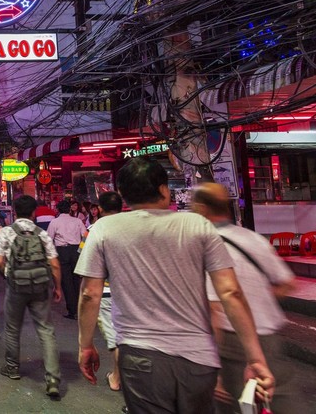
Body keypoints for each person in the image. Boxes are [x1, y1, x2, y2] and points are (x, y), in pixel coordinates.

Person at [75, 158, 275, 413]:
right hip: (199, 359)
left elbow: (90, 293)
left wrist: (86, 345)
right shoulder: (198, 225)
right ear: (163, 189)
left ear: (123, 195)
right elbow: (230, 292)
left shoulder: (104, 228)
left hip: (140, 356)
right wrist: (255, 358)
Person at [191, 182, 299, 414]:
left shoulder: (207, 247)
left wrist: (215, 371)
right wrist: (256, 302)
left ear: (201, 209)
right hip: (269, 338)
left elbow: (216, 309)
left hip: (234, 343)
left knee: (237, 404)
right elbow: (287, 283)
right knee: (278, 399)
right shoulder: (253, 239)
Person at [0, 195, 62, 398]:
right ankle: (52, 379)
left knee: (13, 328)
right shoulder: (42, 234)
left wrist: (8, 274)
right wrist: (57, 287)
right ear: (34, 213)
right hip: (40, 287)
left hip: (16, 287)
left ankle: (12, 368)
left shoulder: (7, 232)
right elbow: (55, 264)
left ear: (14, 211)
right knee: (46, 330)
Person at [90, 191, 124, 392]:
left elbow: (87, 267)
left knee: (116, 339)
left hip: (106, 292)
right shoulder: (134, 228)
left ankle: (119, 378)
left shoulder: (94, 229)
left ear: (100, 209)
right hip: (132, 292)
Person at [47, 200, 85, 319]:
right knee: (77, 280)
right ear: (69, 209)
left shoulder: (54, 222)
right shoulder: (78, 221)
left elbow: (49, 238)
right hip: (76, 251)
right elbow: (85, 235)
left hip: (62, 251)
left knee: (66, 281)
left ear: (58, 209)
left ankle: (72, 310)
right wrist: (81, 249)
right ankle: (80, 308)